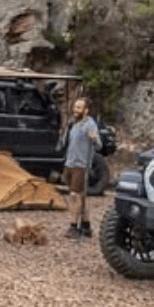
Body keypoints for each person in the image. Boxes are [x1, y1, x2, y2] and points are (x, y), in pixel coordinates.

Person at [63, 98, 101, 238]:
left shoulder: (90, 124)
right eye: (75, 107)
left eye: (78, 107)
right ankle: (86, 225)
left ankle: (74, 226)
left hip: (80, 165)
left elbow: (99, 145)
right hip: (70, 163)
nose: (75, 110)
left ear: (86, 110)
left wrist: (94, 139)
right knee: (81, 196)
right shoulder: (75, 124)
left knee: (74, 196)